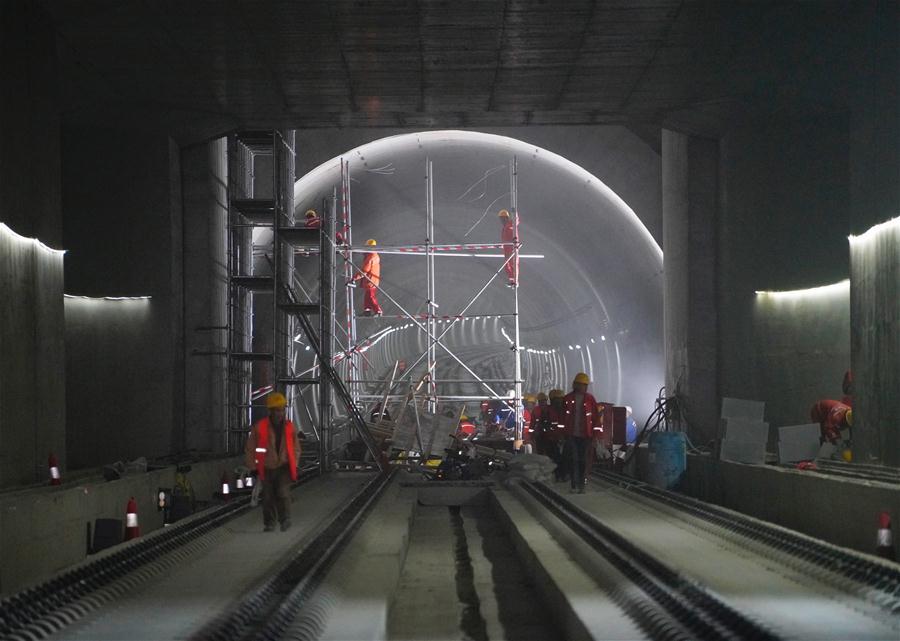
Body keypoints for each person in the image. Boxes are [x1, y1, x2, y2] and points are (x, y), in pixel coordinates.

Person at [244, 392, 304, 532]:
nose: (280, 413)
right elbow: (250, 448)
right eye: (277, 410)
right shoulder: (260, 427)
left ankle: (285, 520)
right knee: (268, 497)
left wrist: (294, 464)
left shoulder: (289, 428)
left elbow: (296, 448)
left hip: (283, 466)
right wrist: (253, 467)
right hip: (266, 467)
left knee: (283, 493)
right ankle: (270, 523)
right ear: (270, 411)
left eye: (282, 410)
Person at [563, 373, 601, 493]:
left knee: (583, 460)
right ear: (575, 384)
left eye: (584, 385)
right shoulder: (568, 399)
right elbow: (562, 418)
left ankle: (582, 483)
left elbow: (595, 419)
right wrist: (562, 434)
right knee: (573, 459)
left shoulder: (590, 399)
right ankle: (574, 484)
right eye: (580, 384)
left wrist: (596, 437)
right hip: (572, 435)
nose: (582, 387)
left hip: (586, 436)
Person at [352, 239, 382, 316]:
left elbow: (364, 271)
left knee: (371, 296)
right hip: (372, 280)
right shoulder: (374, 255)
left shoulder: (370, 258)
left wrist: (354, 278)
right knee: (367, 296)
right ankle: (367, 310)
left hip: (370, 280)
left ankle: (378, 311)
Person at [545, 389, 568, 481]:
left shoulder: (565, 411)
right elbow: (546, 425)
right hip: (553, 439)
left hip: (564, 439)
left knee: (565, 458)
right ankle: (558, 475)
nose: (559, 402)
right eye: (557, 400)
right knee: (555, 458)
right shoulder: (548, 411)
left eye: (560, 399)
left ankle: (563, 475)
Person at [498, 209, 518, 287]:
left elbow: (516, 221)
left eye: (502, 218)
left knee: (513, 265)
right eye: (500, 219)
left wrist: (515, 213)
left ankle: (515, 281)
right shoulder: (505, 227)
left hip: (511, 248)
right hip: (506, 249)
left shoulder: (510, 224)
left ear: (506, 218)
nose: (501, 221)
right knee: (507, 266)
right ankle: (512, 280)